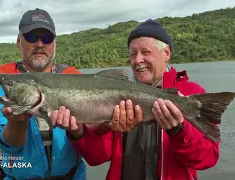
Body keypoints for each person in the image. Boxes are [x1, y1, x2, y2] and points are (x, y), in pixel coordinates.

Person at [65, 19, 220, 180]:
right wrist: (77, 132)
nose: (138, 60)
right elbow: (96, 158)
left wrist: (179, 131)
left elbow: (207, 158)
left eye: (145, 52)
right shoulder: (117, 96)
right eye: (133, 54)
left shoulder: (190, 93)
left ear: (166, 53)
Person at [0, 8, 86, 180]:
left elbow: (92, 138)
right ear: (19, 41)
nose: (40, 44)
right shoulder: (1, 87)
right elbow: (8, 145)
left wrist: (77, 130)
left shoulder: (75, 78)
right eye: (32, 37)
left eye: (46, 38)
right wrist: (17, 124)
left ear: (55, 44)